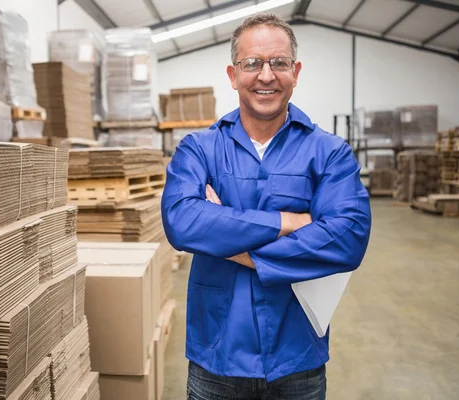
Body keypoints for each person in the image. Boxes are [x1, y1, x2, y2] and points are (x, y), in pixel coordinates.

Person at [161, 13, 372, 400]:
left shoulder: (329, 153)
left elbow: (349, 238)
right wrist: (290, 222)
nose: (266, 75)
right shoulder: (200, 149)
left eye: (279, 62)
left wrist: (231, 243)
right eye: (252, 63)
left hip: (298, 358)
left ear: (296, 71)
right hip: (217, 357)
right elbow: (182, 221)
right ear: (233, 73)